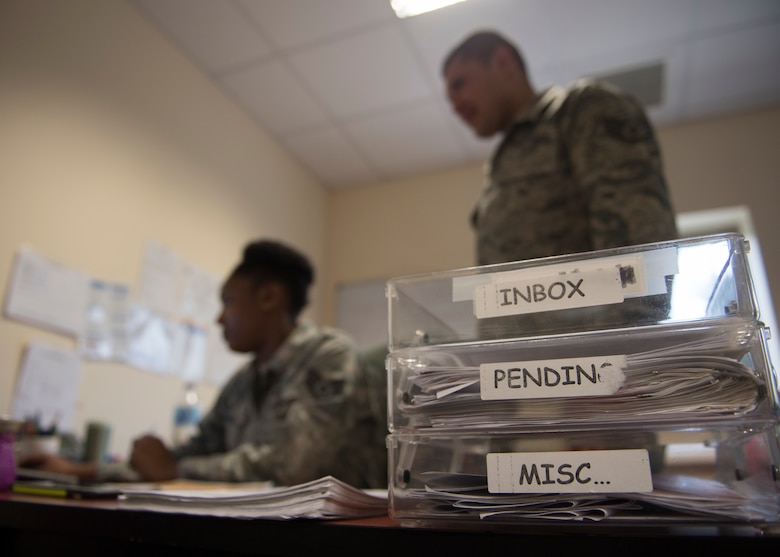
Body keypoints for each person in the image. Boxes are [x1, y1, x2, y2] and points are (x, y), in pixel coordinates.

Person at [22, 240, 386, 488]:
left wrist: (174, 469)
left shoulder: (328, 354)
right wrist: (81, 471)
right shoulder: (243, 382)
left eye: (227, 300)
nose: (219, 318)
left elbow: (293, 466)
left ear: (269, 297)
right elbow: (184, 456)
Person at [442, 30, 678, 267]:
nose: (455, 106)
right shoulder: (500, 164)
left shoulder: (580, 110)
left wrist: (636, 303)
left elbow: (639, 232)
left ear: (503, 62)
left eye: (459, 84)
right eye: (449, 99)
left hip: (595, 303)